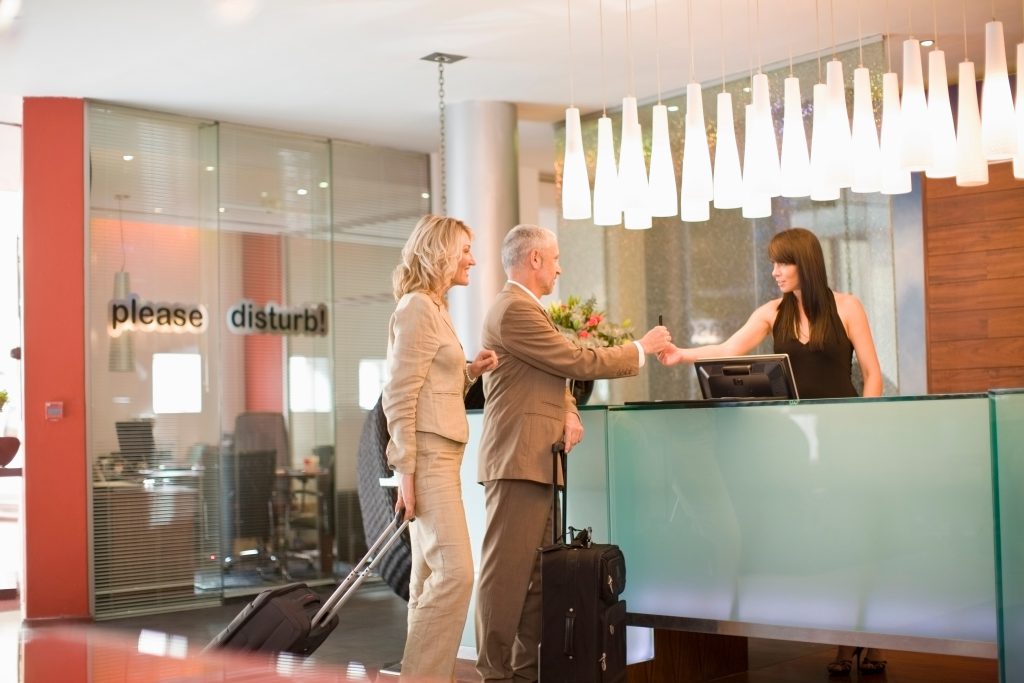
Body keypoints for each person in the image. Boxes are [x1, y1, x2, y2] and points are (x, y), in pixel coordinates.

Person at [657, 226, 885, 676]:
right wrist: (680, 355)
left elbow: (873, 375)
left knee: (854, 536)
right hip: (797, 443)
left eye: (783, 262)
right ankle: (842, 639)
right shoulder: (771, 312)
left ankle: (869, 637)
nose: (775, 271)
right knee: (823, 542)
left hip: (845, 438)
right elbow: (726, 349)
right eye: (773, 263)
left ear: (806, 263)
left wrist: (864, 424)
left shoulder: (847, 307)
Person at [474, 224, 672, 683]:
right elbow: (572, 359)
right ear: (535, 260)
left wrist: (567, 411)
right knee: (506, 580)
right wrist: (640, 349)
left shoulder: (526, 308)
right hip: (517, 463)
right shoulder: (513, 309)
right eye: (556, 258)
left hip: (538, 461)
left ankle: (523, 673)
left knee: (537, 583)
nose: (561, 267)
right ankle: (494, 675)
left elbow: (549, 372)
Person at [382, 214, 499, 682]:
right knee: (456, 574)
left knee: (428, 578)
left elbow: (430, 381)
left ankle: (425, 675)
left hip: (440, 457)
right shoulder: (415, 307)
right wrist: (406, 473)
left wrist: (470, 369)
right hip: (427, 460)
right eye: (465, 249)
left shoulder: (433, 307)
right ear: (440, 252)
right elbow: (399, 394)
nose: (472, 258)